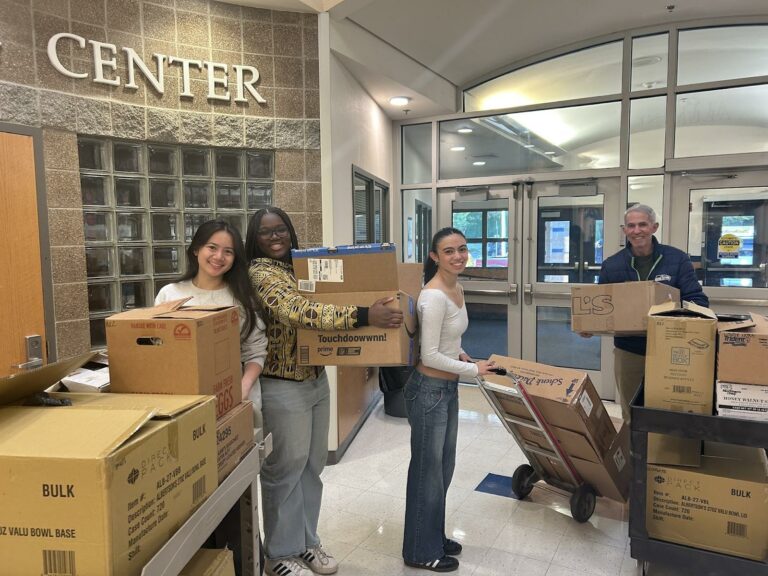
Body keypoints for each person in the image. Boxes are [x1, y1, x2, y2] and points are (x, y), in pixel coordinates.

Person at [245, 206, 403, 576]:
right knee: (285, 470)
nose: (275, 237)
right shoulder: (260, 272)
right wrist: (365, 316)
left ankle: (306, 543)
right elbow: (297, 310)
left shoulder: (298, 266)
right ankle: (280, 554)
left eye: (280, 229)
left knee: (311, 469)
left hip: (315, 379)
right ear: (255, 237)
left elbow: (329, 296)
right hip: (281, 385)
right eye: (266, 232)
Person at [402, 227, 496, 573]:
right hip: (429, 392)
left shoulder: (456, 287)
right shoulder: (434, 296)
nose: (458, 256)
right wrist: (476, 370)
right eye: (449, 251)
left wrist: (463, 355)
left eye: (462, 249)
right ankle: (419, 550)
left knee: (442, 471)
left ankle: (432, 536)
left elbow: (447, 341)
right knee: (427, 474)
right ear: (434, 257)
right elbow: (428, 356)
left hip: (447, 390)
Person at [595, 203, 708, 421]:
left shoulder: (677, 259)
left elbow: (697, 298)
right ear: (624, 230)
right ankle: (634, 453)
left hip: (672, 347)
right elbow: (601, 307)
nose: (637, 231)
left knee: (670, 409)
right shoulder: (612, 265)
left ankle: (665, 453)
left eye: (643, 224)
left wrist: (684, 317)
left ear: (654, 227)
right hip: (629, 350)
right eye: (631, 226)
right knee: (631, 412)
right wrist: (589, 326)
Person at [155, 219, 267, 426]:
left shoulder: (241, 298)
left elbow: (256, 351)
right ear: (197, 249)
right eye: (212, 248)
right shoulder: (170, 294)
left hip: (235, 399)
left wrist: (243, 386)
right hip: (182, 402)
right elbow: (157, 350)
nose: (218, 257)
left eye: (228, 252)